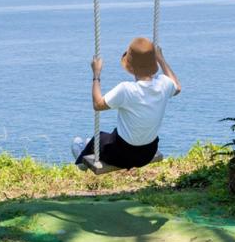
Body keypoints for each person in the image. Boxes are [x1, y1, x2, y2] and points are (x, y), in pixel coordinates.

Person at [72, 36, 181, 170]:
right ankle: (89, 146)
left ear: (131, 67)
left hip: (122, 155)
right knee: (110, 136)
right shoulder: (163, 84)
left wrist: (96, 74)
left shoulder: (126, 89)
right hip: (148, 153)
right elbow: (177, 87)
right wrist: (161, 59)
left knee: (99, 138)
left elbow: (98, 105)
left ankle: (82, 163)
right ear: (153, 64)